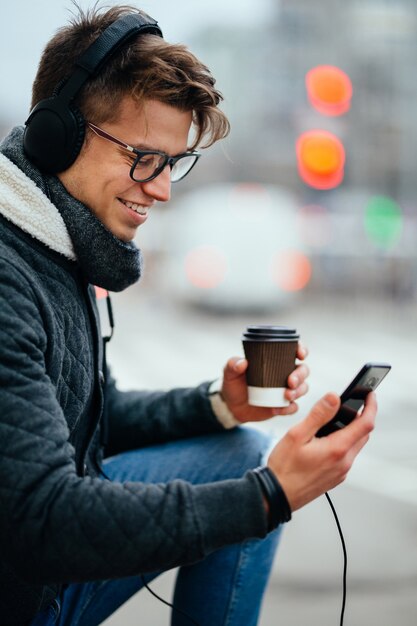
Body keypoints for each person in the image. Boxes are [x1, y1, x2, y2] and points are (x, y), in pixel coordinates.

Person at [0, 5, 377, 626]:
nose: (162, 189)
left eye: (173, 163)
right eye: (144, 157)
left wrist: (219, 403)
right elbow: (43, 521)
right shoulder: (12, 273)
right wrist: (269, 498)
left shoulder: (59, 246)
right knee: (255, 478)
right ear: (56, 133)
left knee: (241, 448)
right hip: (28, 585)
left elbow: (95, 414)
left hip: (41, 574)